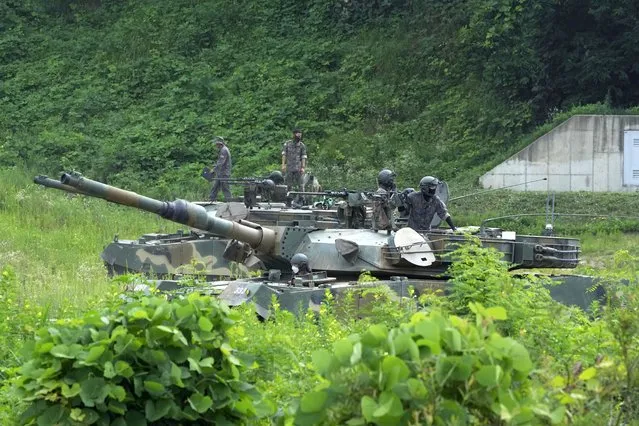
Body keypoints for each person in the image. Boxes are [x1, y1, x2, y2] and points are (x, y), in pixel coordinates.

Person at [372, 169, 398, 233]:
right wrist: (394, 192)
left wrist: (394, 191)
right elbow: (389, 205)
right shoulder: (381, 191)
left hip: (387, 219)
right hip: (383, 221)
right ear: (385, 179)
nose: (392, 180)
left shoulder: (387, 191)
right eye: (391, 178)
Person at [281, 128, 307, 194]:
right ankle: (288, 198)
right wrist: (283, 165)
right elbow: (284, 154)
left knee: (301, 185)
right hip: (289, 167)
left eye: (300, 136)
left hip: (298, 167)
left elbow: (303, 157)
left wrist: (303, 167)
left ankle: (301, 198)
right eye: (298, 135)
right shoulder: (287, 144)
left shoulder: (302, 145)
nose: (299, 137)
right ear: (294, 135)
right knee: (288, 184)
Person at [209, 136, 232, 202]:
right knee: (215, 187)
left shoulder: (224, 150)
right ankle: (211, 200)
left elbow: (221, 163)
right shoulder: (222, 150)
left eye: (217, 144)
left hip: (224, 173)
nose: (216, 145)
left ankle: (230, 202)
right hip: (220, 173)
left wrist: (214, 169)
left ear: (220, 143)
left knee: (225, 188)